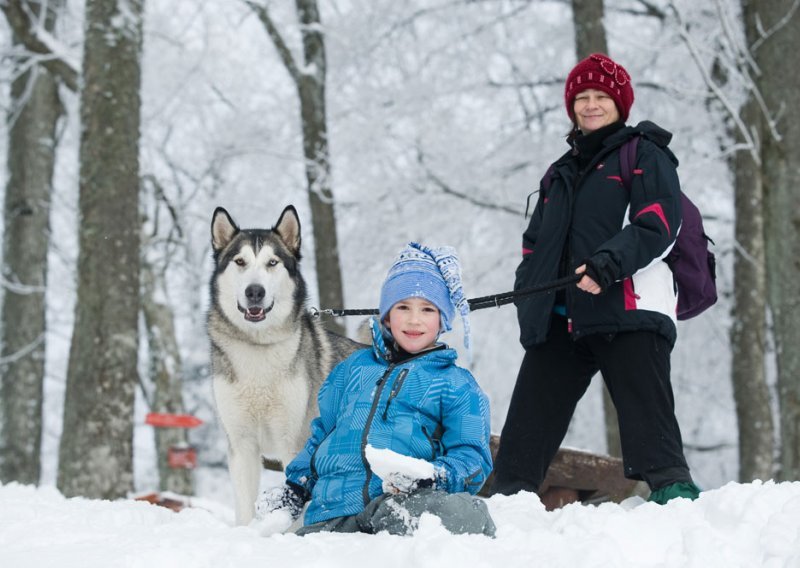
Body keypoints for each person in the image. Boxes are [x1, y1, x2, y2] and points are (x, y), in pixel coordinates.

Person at [490, 53, 701, 505]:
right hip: (562, 317)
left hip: (628, 305)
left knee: (649, 423)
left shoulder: (644, 154)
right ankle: (508, 508)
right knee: (525, 430)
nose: (590, 104)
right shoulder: (559, 173)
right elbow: (535, 244)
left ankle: (677, 501)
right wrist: (530, 296)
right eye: (581, 97)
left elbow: (659, 222)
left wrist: (607, 264)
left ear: (620, 103)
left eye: (600, 96)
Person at [259, 242, 496, 536]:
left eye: (427, 309)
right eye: (403, 307)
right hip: (332, 515)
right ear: (386, 315)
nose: (414, 319)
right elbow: (320, 436)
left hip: (399, 507)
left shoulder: (455, 384)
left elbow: (472, 456)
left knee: (448, 513)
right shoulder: (352, 369)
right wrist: (296, 487)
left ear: (442, 319)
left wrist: (433, 477)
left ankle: (462, 522)